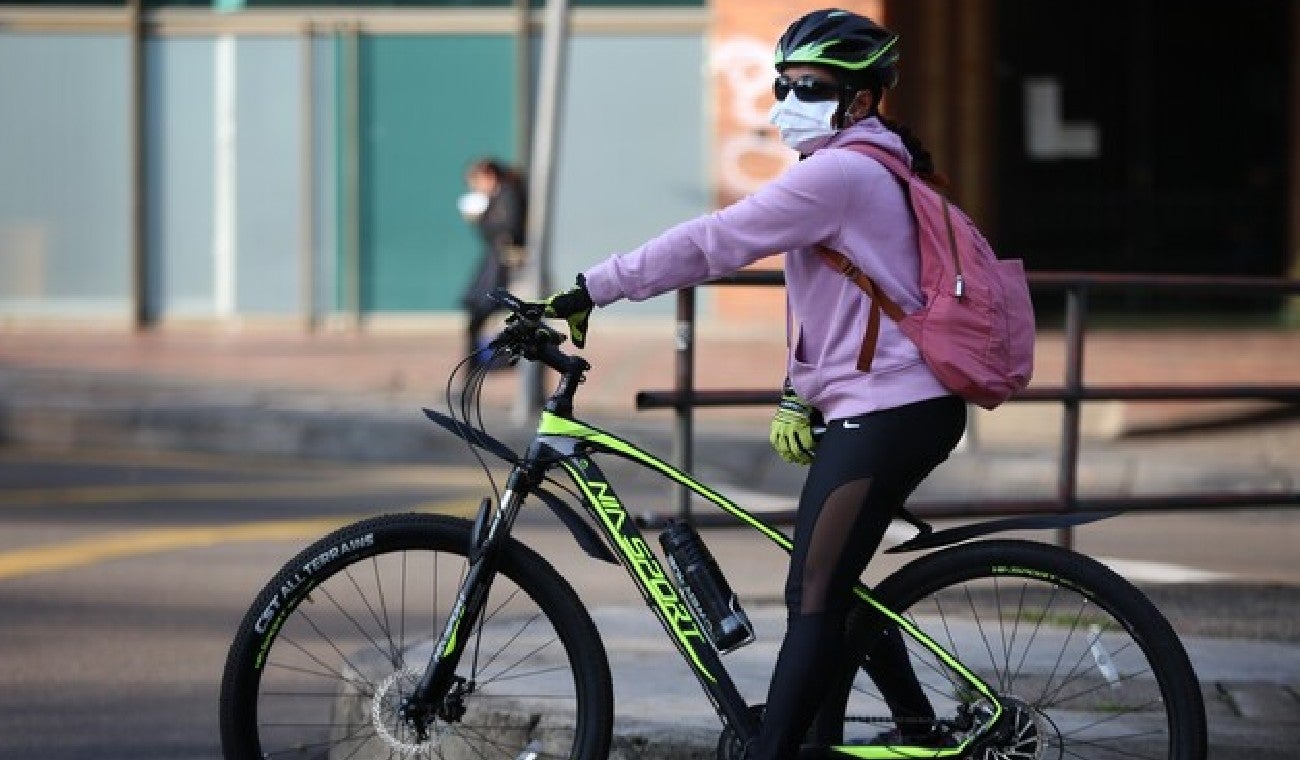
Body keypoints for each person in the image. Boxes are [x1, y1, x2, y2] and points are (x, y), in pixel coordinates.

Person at [543, 9, 966, 758]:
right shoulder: (863, 163)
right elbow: (839, 303)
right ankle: (917, 726)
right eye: (785, 83)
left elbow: (713, 241)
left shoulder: (840, 172)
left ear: (862, 99)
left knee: (811, 597)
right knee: (834, 584)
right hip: (894, 404)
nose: (791, 97)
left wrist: (590, 288)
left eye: (813, 85)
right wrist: (799, 390)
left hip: (891, 411)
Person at [459, 157, 527, 371]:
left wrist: (481, 218)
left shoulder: (507, 195)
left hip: (501, 268)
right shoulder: (502, 195)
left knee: (481, 314)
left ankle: (477, 367)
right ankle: (474, 367)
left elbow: (508, 230)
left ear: (489, 175)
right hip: (496, 266)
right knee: (477, 316)